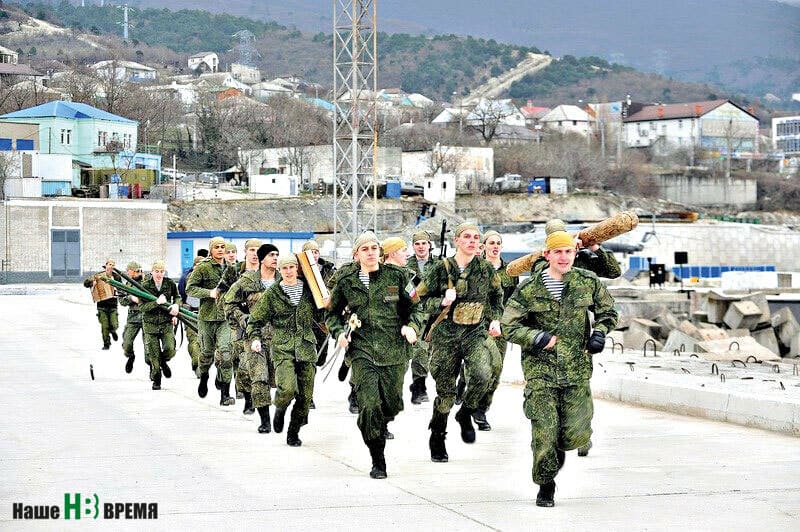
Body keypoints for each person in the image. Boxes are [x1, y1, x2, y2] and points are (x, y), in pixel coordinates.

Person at [502, 229, 618, 507]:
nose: (563, 257)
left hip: (576, 370)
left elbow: (608, 311)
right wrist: (536, 337)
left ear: (574, 253)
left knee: (575, 433)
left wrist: (600, 331)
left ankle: (558, 453)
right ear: (547, 255)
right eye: (557, 252)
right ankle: (545, 485)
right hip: (540, 372)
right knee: (544, 431)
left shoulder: (586, 281)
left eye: (568, 251)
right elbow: (509, 326)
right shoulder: (529, 289)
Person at [327, 231, 423, 479]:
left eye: (374, 248)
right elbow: (332, 314)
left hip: (394, 350)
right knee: (369, 405)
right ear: (356, 254)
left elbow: (416, 308)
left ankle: (378, 424)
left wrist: (411, 327)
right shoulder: (346, 280)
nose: (370, 253)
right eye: (364, 249)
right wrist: (338, 332)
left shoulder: (399, 276)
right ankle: (377, 459)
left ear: (380, 253)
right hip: (362, 350)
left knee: (391, 404)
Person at [415, 223, 503, 462]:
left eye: (476, 238)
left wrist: (495, 318)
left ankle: (466, 412)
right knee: (445, 392)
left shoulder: (485, 269)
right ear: (457, 241)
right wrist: (442, 302)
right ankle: (437, 436)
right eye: (467, 237)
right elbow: (419, 299)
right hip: (446, 336)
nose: (473, 241)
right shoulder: (440, 269)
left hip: (475, 332)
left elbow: (496, 295)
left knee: (484, 375)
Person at [248, 255, 324, 446]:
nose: (289, 271)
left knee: (305, 397)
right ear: (279, 271)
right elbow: (255, 320)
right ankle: (280, 408)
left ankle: (294, 432)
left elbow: (323, 313)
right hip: (283, 347)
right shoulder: (273, 293)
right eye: (285, 268)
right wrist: (255, 338)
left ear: (297, 269)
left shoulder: (309, 290)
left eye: (292, 267)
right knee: (287, 389)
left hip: (306, 347)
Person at [226, 244, 280, 432]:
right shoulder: (246, 281)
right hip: (253, 336)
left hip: (279, 337)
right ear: (262, 258)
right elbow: (229, 304)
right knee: (259, 377)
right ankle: (265, 421)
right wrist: (243, 319)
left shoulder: (284, 280)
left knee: (280, 379)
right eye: (271, 255)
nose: (275, 258)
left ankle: (280, 413)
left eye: (277, 255)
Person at [186, 237, 235, 406]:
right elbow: (190, 288)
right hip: (206, 317)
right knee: (206, 353)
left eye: (223, 247)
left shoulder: (231, 268)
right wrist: (209, 293)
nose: (221, 250)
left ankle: (225, 393)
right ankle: (204, 376)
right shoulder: (203, 267)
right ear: (211, 250)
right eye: (217, 247)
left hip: (225, 318)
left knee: (225, 353)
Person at [222, 239, 262, 415]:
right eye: (251, 250)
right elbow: (223, 295)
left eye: (258, 250)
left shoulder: (268, 272)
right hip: (240, 325)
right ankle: (248, 398)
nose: (255, 254)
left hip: (264, 326)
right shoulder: (234, 271)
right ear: (245, 251)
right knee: (244, 364)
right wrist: (236, 315)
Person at [406, 230, 438, 404]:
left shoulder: (440, 264)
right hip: (414, 314)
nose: (420, 247)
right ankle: (419, 387)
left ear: (429, 245)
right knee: (420, 350)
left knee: (431, 353)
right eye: (417, 243)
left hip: (435, 314)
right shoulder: (406, 265)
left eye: (424, 243)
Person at [138, 261, 181, 391]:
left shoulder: (169, 283)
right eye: (156, 271)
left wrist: (176, 307)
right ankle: (157, 380)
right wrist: (156, 302)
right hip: (150, 325)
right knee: (153, 356)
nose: (159, 274)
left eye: (161, 271)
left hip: (166, 323)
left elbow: (177, 297)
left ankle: (163, 361)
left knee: (170, 349)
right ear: (152, 272)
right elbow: (142, 307)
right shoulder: (145, 285)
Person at [83, 259, 122, 350]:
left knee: (114, 324)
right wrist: (92, 283)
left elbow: (121, 288)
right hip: (102, 306)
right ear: (106, 265)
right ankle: (106, 344)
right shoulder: (98, 276)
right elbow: (86, 283)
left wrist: (118, 291)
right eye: (109, 264)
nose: (111, 266)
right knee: (105, 326)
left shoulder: (116, 277)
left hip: (113, 306)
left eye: (113, 265)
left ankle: (113, 331)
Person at [179, 255, 204, 374]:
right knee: (194, 340)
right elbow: (182, 294)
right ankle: (196, 364)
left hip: (204, 313)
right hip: (190, 312)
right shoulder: (187, 277)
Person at [119, 261, 145, 373]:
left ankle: (153, 369)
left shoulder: (147, 282)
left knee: (150, 347)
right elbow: (122, 301)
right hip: (133, 317)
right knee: (127, 343)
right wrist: (131, 298)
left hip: (146, 316)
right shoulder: (127, 285)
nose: (127, 273)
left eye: (129, 271)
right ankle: (130, 356)